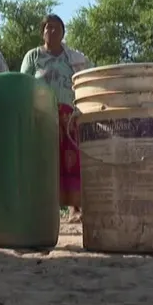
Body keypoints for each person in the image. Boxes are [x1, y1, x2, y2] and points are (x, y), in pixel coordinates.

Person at [21, 14, 92, 222]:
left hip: (69, 115)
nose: (51, 31)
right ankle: (43, 207)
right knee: (44, 159)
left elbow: (89, 78)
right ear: (42, 32)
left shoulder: (74, 58)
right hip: (41, 115)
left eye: (56, 28)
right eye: (48, 27)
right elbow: (23, 84)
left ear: (63, 33)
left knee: (71, 160)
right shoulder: (33, 56)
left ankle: (75, 208)